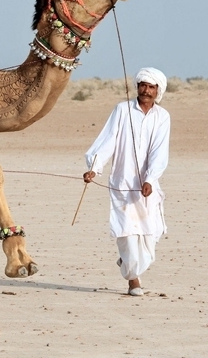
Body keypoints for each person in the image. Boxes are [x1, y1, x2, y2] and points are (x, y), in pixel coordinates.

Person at [83, 67, 170, 296]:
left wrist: (150, 179)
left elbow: (159, 152)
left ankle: (127, 263)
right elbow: (107, 140)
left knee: (151, 236)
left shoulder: (163, 117)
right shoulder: (122, 110)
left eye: (151, 87)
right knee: (127, 233)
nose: (146, 90)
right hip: (122, 183)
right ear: (137, 86)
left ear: (158, 90)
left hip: (147, 187)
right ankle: (133, 281)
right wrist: (94, 168)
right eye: (143, 85)